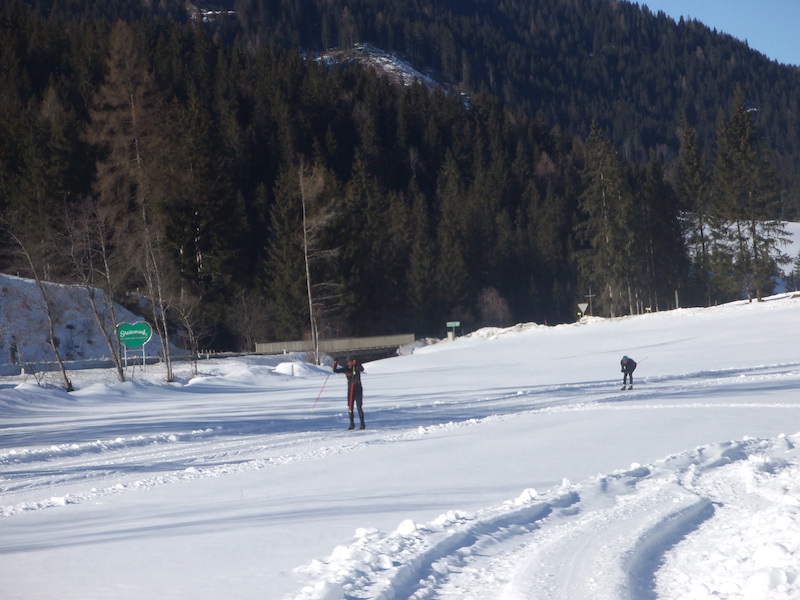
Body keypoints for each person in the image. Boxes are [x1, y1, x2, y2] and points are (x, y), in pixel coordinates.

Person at [333, 355, 365, 430]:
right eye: (348, 362)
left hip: (357, 389)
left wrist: (357, 363)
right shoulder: (346, 368)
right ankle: (351, 424)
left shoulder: (356, 367)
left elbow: (362, 369)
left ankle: (362, 424)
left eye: (351, 362)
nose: (349, 363)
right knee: (350, 407)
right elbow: (335, 370)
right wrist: (335, 362)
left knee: (359, 407)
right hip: (350, 389)